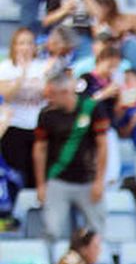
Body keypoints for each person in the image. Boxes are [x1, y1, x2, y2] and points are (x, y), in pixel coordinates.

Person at [32, 70, 106, 239]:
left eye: (52, 95)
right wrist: (41, 184)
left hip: (88, 179)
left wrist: (99, 181)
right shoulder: (46, 115)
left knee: (96, 230)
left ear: (65, 92)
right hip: (58, 179)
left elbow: (102, 146)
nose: (48, 99)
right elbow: (39, 149)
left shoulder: (91, 108)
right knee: (52, 231)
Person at [0, 29, 52, 186]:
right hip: (15, 125)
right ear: (14, 46)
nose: (26, 47)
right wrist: (22, 76)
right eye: (21, 43)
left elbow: (49, 93)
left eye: (29, 43)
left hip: (39, 126)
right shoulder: (6, 68)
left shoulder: (44, 67)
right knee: (16, 173)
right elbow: (6, 95)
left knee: (37, 174)